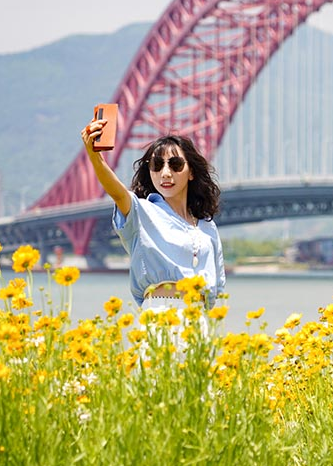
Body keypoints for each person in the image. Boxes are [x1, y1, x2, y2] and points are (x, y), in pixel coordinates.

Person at [80, 117, 225, 317]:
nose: (165, 173)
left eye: (175, 164)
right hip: (159, 311)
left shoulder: (208, 227)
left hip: (199, 317)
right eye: (157, 165)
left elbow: (217, 288)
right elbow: (117, 192)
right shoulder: (141, 212)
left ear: (191, 172)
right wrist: (94, 156)